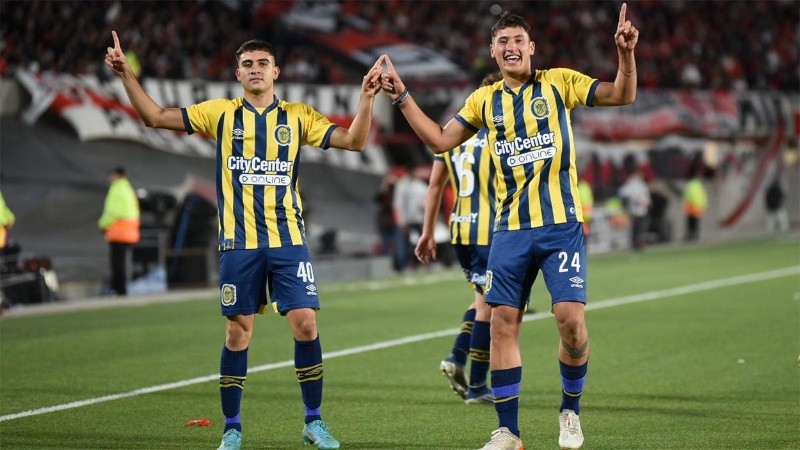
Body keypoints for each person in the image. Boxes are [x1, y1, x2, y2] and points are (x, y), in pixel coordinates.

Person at [105, 32, 383, 450]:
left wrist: (365, 99)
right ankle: (232, 428)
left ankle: (313, 421)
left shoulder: (298, 116)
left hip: (289, 240)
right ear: (238, 74)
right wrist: (126, 73)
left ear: (276, 72)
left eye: (262, 64)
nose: (255, 70)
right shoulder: (220, 114)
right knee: (238, 334)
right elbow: (156, 117)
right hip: (240, 243)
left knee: (306, 325)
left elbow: (355, 141)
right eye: (248, 64)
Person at [380, 4, 638, 449]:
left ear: (531, 48)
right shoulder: (484, 101)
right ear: (493, 53)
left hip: (560, 225)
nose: (511, 47)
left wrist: (626, 56)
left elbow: (621, 94)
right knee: (502, 323)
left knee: (570, 323)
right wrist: (402, 95)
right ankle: (507, 431)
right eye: (503, 42)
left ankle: (570, 412)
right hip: (509, 231)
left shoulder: (559, 82)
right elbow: (440, 141)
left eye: (518, 40)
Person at [415, 71, 502, 405]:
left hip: (459, 229)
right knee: (490, 307)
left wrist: (427, 232)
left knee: (481, 300)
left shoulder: (453, 133)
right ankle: (478, 385)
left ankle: (456, 358)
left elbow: (436, 185)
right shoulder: (498, 132)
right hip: (490, 231)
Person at [97, 166, 141, 296]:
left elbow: (112, 211)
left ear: (117, 175)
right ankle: (120, 288)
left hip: (119, 231)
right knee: (121, 261)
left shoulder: (117, 189)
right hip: (129, 231)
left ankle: (119, 289)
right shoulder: (128, 189)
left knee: (117, 262)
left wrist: (102, 224)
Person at [393, 163, 429, 271]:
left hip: (421, 218)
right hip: (408, 219)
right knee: (408, 244)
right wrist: (401, 221)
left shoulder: (421, 185)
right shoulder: (402, 185)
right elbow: (398, 204)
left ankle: (426, 263)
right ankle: (410, 264)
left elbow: (427, 200)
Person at [618, 168, 651, 250]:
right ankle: (635, 244)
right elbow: (624, 193)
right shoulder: (632, 184)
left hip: (642, 210)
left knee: (641, 227)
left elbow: (645, 196)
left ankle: (640, 242)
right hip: (635, 210)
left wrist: (646, 202)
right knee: (636, 228)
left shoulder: (643, 185)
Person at [683, 173, 707, 242]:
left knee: (690, 222)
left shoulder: (690, 185)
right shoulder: (700, 186)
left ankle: (690, 235)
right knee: (696, 221)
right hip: (698, 206)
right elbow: (703, 196)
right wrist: (704, 206)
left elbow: (687, 196)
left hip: (691, 206)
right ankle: (695, 235)